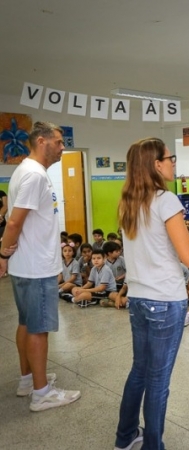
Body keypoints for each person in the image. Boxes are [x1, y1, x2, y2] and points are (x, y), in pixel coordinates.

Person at [114, 137, 189, 450]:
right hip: (164, 301)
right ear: (156, 164)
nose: (173, 163)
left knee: (139, 370)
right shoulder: (165, 200)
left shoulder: (128, 201)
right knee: (158, 380)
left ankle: (125, 436)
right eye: (170, 158)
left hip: (140, 299)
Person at [0, 122, 81, 411]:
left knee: (26, 323)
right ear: (42, 141)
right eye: (58, 142)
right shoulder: (34, 176)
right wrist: (2, 253)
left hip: (26, 264)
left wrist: (7, 257)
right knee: (38, 329)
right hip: (35, 267)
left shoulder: (24, 170)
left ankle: (27, 380)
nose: (62, 147)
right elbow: (14, 221)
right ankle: (42, 393)